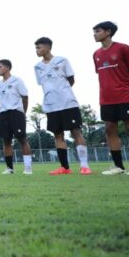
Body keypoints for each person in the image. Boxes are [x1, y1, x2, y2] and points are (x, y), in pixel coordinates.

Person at [93, 21, 129, 176]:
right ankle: (118, 166)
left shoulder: (123, 48)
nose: (94, 34)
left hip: (125, 96)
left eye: (98, 31)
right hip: (106, 99)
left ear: (108, 32)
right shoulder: (96, 54)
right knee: (110, 129)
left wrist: (125, 86)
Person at [33, 38, 92, 176]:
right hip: (51, 106)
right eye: (36, 48)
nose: (37, 50)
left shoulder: (62, 60)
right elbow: (42, 84)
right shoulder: (37, 67)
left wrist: (63, 91)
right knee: (58, 135)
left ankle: (84, 166)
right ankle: (64, 167)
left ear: (48, 47)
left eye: (39, 47)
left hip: (68, 103)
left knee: (76, 132)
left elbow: (71, 79)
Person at [0, 59, 33, 175]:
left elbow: (25, 97)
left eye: (0, 67)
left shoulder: (17, 80)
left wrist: (23, 112)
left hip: (16, 113)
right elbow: (0, 100)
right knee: (6, 141)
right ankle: (9, 168)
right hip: (3, 113)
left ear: (7, 68)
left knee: (22, 139)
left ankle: (28, 168)